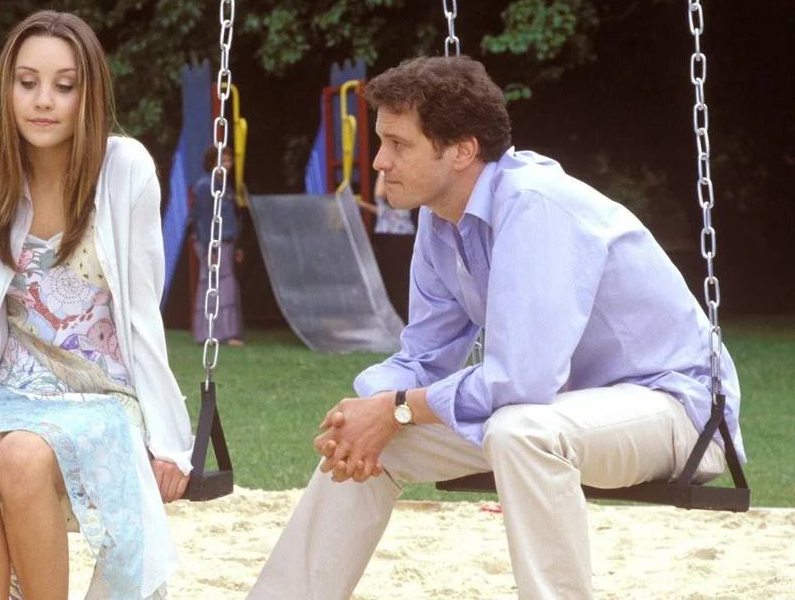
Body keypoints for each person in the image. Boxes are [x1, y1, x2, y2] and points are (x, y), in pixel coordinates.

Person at [249, 55, 744, 600]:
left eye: (399, 144)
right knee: (371, 443)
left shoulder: (536, 206)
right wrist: (365, 411)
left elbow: (520, 382)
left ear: (461, 150)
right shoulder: (439, 222)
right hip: (566, 410)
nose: (381, 161)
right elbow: (424, 356)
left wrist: (396, 406)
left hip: (674, 409)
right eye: (381, 141)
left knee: (519, 430)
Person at [0, 11, 193, 600]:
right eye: (27, 82)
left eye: (64, 86)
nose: (44, 101)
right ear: (6, 89)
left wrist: (170, 438)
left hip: (98, 389)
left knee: (22, 456)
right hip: (11, 385)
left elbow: (143, 312)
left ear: (88, 93)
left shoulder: (124, 169)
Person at [190, 146, 245, 346]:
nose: (228, 165)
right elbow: (205, 220)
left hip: (226, 243)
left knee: (225, 286)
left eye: (229, 161)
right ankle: (216, 334)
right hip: (213, 244)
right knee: (213, 286)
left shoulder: (225, 186)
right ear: (213, 163)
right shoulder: (206, 186)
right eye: (223, 161)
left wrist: (237, 245)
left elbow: (231, 218)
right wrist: (209, 249)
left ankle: (222, 333)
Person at [355, 170, 415, 320]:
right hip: (395, 233)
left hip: (395, 236)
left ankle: (399, 317)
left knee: (395, 280)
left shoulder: (391, 174)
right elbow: (385, 212)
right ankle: (395, 317)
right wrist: (363, 205)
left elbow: (382, 196)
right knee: (394, 279)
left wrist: (382, 176)